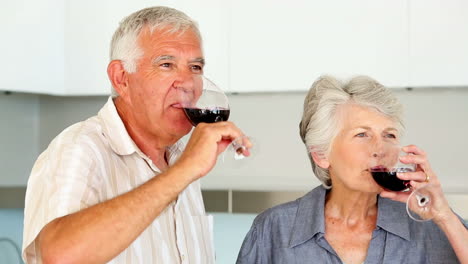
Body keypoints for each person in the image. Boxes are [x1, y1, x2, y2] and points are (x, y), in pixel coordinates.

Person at [22, 6, 248, 264]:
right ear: (121, 79)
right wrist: (184, 171)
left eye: (195, 67)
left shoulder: (180, 159)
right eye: (166, 64)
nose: (187, 82)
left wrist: (184, 169)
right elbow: (60, 256)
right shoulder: (80, 148)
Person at [236, 76, 468, 264]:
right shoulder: (274, 229)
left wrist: (444, 216)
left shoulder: (430, 225)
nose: (380, 148)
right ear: (321, 154)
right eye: (362, 134)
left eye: (389, 135)